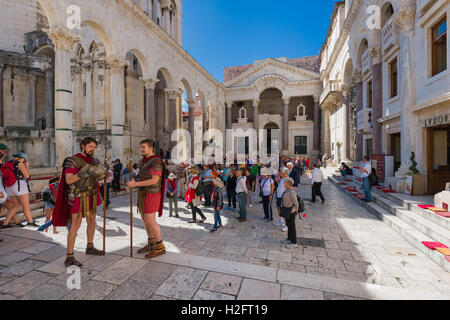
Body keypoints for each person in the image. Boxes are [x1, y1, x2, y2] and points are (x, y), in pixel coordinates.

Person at [52, 137, 106, 267]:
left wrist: (102, 177)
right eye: (90, 146)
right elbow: (69, 180)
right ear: (83, 146)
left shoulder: (95, 161)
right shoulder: (73, 160)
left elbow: (99, 179)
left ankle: (90, 246)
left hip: (91, 195)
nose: (92, 149)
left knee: (92, 221)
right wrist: (84, 172)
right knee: (75, 224)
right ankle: (69, 257)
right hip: (78, 196)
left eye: (94, 147)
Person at [127, 139, 167, 259]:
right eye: (141, 147)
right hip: (143, 192)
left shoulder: (156, 161)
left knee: (150, 219)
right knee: (145, 219)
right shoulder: (142, 161)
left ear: (151, 148)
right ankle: (151, 243)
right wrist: (134, 181)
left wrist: (136, 184)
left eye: (144, 147)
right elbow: (140, 177)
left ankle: (160, 247)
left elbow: (155, 180)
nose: (141, 149)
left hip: (152, 193)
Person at [0, 153, 39, 228]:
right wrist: (27, 166)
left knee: (15, 205)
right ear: (23, 159)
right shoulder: (19, 164)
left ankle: (5, 223)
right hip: (19, 186)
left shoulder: (8, 163)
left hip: (9, 187)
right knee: (26, 206)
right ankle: (30, 222)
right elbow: (28, 176)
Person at [280, 178, 299, 249]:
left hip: (291, 211)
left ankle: (294, 243)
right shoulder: (287, 190)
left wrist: (296, 210)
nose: (284, 184)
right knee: (288, 225)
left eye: (285, 183)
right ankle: (289, 239)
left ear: (288, 183)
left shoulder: (292, 191)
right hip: (287, 210)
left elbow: (296, 202)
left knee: (292, 227)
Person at [274, 167, 289, 232]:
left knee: (284, 211)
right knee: (278, 208)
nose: (279, 173)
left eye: (280, 172)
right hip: (279, 196)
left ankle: (286, 225)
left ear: (284, 173)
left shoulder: (287, 180)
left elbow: (288, 190)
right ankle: (281, 221)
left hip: (283, 198)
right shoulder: (282, 179)